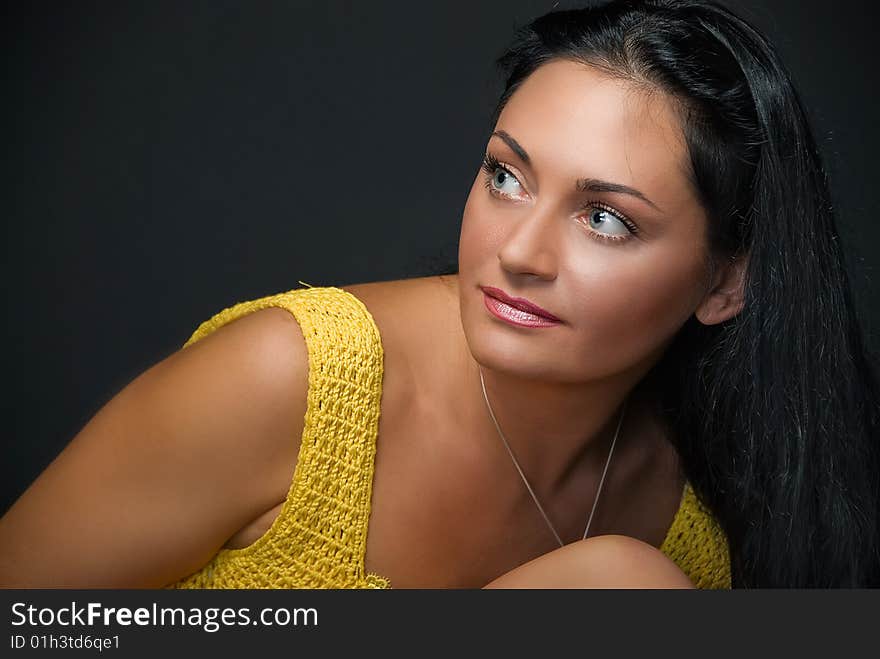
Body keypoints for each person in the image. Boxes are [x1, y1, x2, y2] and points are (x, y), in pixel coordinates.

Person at [1, 0, 878, 589]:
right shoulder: (297, 383)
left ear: (728, 282)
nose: (520, 252)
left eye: (606, 219)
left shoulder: (685, 530)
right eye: (506, 175)